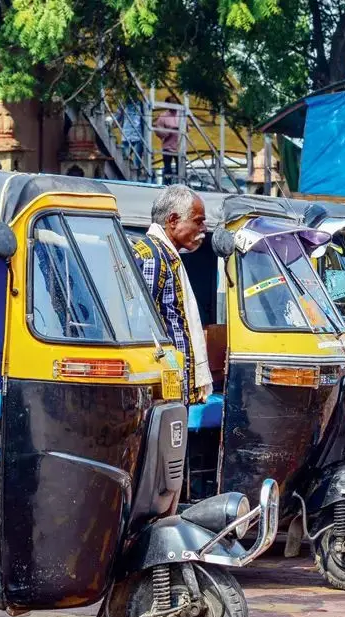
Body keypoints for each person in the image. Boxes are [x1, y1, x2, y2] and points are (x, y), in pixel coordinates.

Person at [131, 184, 212, 402]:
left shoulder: (167, 255)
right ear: (173, 220)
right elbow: (142, 325)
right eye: (198, 221)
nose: (203, 229)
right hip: (163, 386)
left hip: (173, 383)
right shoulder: (153, 256)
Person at [153, 96, 182, 185]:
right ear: (167, 105)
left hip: (179, 147)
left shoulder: (181, 115)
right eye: (172, 103)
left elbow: (188, 128)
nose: (175, 105)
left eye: (175, 102)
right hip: (168, 147)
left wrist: (181, 128)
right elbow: (157, 131)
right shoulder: (163, 116)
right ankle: (167, 186)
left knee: (180, 170)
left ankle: (180, 186)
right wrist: (169, 131)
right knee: (168, 169)